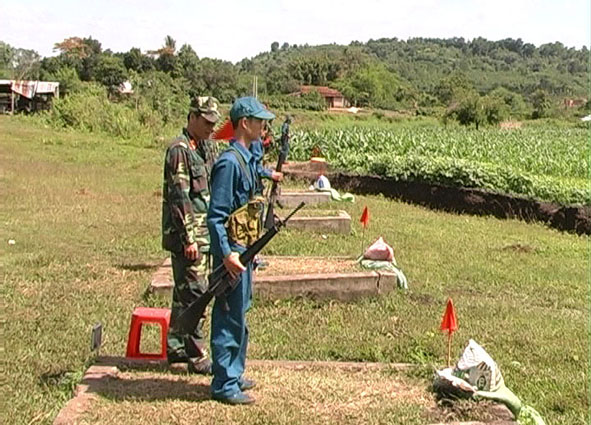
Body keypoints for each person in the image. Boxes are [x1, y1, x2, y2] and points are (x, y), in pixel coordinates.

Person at [207, 96, 276, 405]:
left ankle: (234, 374)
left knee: (240, 314)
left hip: (244, 249)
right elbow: (216, 217)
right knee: (228, 317)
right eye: (259, 121)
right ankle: (224, 383)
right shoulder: (229, 163)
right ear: (245, 123)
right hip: (233, 253)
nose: (263, 127)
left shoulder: (246, 160)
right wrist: (227, 254)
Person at [161, 96, 221, 374]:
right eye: (206, 122)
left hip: (204, 234)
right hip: (190, 237)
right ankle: (197, 356)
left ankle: (176, 347)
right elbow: (180, 197)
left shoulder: (205, 147)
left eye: (214, 123)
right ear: (192, 117)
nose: (211, 128)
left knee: (184, 293)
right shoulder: (179, 150)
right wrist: (189, 239)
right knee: (196, 294)